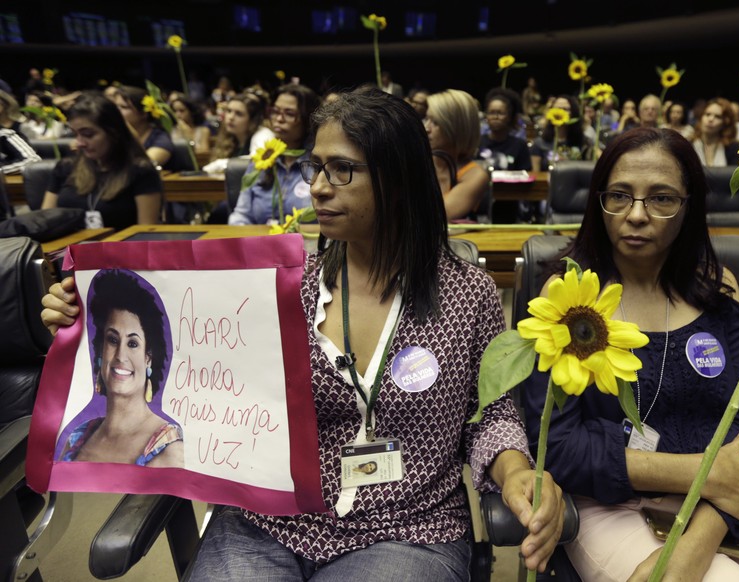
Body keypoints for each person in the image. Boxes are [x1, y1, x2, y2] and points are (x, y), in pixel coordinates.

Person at [42, 87, 565, 580]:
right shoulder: (276, 289)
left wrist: (515, 470)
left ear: (398, 178)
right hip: (267, 519)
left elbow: (490, 414)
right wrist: (81, 317)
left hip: (407, 528)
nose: (315, 186)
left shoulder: (467, 294)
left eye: (342, 170)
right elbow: (183, 373)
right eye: (316, 167)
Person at [522, 127, 739, 582]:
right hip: (612, 503)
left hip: (723, 500)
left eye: (662, 198)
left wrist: (704, 529)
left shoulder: (720, 290)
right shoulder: (568, 301)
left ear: (688, 206)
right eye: (619, 195)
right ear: (598, 201)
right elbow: (559, 448)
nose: (636, 215)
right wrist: (703, 474)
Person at [56, 269, 183, 467]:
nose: (120, 356)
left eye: (132, 344)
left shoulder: (170, 450)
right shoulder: (77, 438)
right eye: (113, 340)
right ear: (100, 351)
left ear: (148, 358)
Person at [41, 92, 162, 229]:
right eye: (76, 134)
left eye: (88, 135)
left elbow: (146, 232)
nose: (79, 143)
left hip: (119, 248)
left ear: (113, 132)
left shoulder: (140, 171)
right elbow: (45, 222)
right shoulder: (65, 167)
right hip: (67, 249)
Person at [228, 84, 321, 225]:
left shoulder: (319, 164)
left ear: (308, 119)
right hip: (260, 243)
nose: (279, 119)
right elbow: (241, 215)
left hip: (307, 243)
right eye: (275, 111)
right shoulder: (261, 160)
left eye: (289, 114)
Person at [426, 89, 491, 221]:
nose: (427, 128)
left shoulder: (476, 175)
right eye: (427, 118)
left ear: (456, 127)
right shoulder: (417, 162)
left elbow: (438, 216)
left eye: (435, 122)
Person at [203, 91, 274, 174]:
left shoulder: (263, 134)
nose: (231, 117)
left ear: (252, 120)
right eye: (229, 111)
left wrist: (218, 165)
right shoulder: (229, 136)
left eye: (239, 114)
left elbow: (259, 160)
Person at [114, 85, 176, 171]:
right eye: (116, 107)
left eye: (124, 107)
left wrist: (126, 127)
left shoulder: (160, 138)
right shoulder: (116, 135)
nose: (116, 111)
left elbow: (145, 166)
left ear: (144, 114)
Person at [478, 87, 532, 171]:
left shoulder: (519, 146)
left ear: (509, 117)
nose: (495, 117)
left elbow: (525, 175)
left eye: (500, 113)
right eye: (491, 113)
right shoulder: (477, 143)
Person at [530, 94, 588, 172]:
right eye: (558, 108)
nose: (561, 112)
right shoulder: (539, 143)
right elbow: (536, 174)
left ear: (573, 113)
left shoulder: (584, 142)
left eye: (566, 109)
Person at [691, 97, 739, 167]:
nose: (710, 119)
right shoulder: (689, 144)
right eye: (707, 114)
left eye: (718, 117)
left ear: (726, 122)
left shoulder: (733, 147)